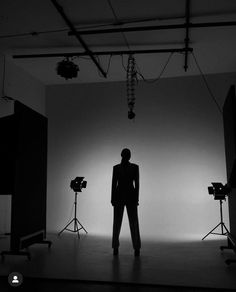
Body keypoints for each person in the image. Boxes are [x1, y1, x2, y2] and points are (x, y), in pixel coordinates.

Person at [111, 148, 141, 256]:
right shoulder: (116, 168)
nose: (127, 157)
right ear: (122, 155)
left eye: (128, 155)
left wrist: (137, 198)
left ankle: (136, 247)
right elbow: (113, 184)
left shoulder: (134, 167)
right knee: (117, 223)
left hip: (130, 198)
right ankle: (115, 246)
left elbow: (137, 184)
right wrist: (112, 198)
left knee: (134, 223)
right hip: (120, 197)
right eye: (126, 155)